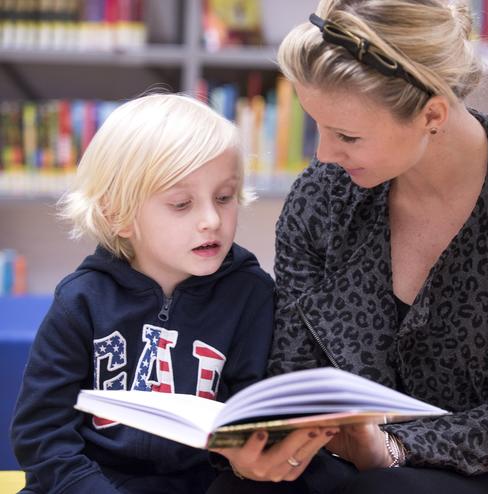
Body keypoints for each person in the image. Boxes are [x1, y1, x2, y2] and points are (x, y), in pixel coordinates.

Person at [216, 1, 488, 493]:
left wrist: (396, 449)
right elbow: (294, 370)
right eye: (315, 123)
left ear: (432, 114)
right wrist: (265, 447)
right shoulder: (323, 196)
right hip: (345, 464)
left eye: (347, 135)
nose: (322, 154)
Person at [11, 93, 285, 493]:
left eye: (224, 198)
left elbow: (252, 418)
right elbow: (43, 435)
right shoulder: (81, 301)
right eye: (181, 204)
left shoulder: (253, 295)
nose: (211, 220)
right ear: (117, 215)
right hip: (91, 483)